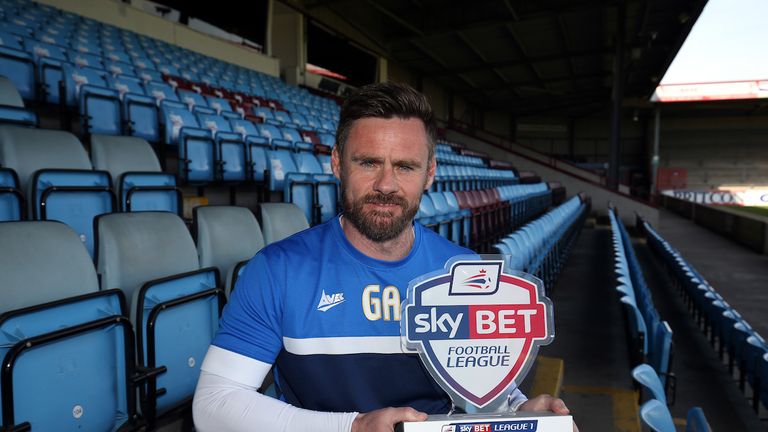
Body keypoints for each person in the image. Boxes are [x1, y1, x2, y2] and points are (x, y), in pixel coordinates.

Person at [193, 82, 574, 432]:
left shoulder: (467, 273)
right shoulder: (278, 270)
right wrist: (353, 427)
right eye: (369, 162)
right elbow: (213, 404)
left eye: (405, 166)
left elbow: (486, 393)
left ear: (429, 174)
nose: (386, 185)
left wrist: (520, 415)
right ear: (338, 163)